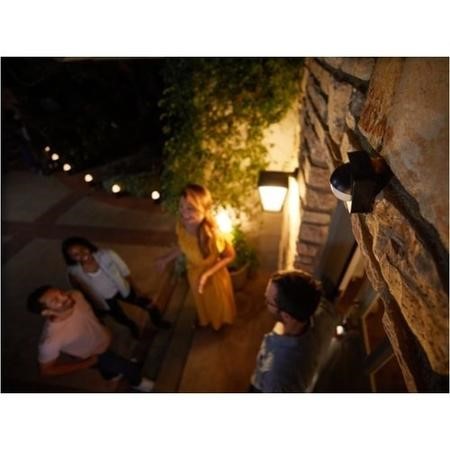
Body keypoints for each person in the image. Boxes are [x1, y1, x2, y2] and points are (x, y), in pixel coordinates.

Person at [27, 285, 155, 392]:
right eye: (56, 301)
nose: (65, 297)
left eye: (61, 292)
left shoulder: (76, 296)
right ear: (46, 312)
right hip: (95, 355)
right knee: (128, 368)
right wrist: (87, 363)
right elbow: (46, 371)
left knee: (111, 366)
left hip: (104, 337)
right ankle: (137, 382)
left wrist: (100, 324)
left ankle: (112, 374)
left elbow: (89, 312)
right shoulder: (51, 341)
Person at [155, 184, 236, 330]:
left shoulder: (213, 235)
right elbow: (184, 246)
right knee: (201, 302)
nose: (184, 213)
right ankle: (205, 319)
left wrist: (207, 274)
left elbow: (230, 256)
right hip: (194, 275)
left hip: (214, 279)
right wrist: (166, 259)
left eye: (190, 208)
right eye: (181, 207)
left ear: (205, 210)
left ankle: (218, 326)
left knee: (215, 304)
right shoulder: (182, 227)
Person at [62, 237, 171, 340]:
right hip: (104, 300)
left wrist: (137, 290)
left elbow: (125, 272)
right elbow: (78, 288)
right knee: (120, 317)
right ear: (70, 258)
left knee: (149, 304)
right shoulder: (74, 271)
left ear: (87, 245)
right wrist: (93, 304)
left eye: (82, 249)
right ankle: (132, 326)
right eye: (75, 254)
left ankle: (158, 322)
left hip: (122, 288)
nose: (82, 254)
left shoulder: (107, 254)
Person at [249, 270, 338, 393]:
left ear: (286, 316)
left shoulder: (277, 375)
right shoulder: (324, 314)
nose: (265, 301)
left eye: (268, 302)